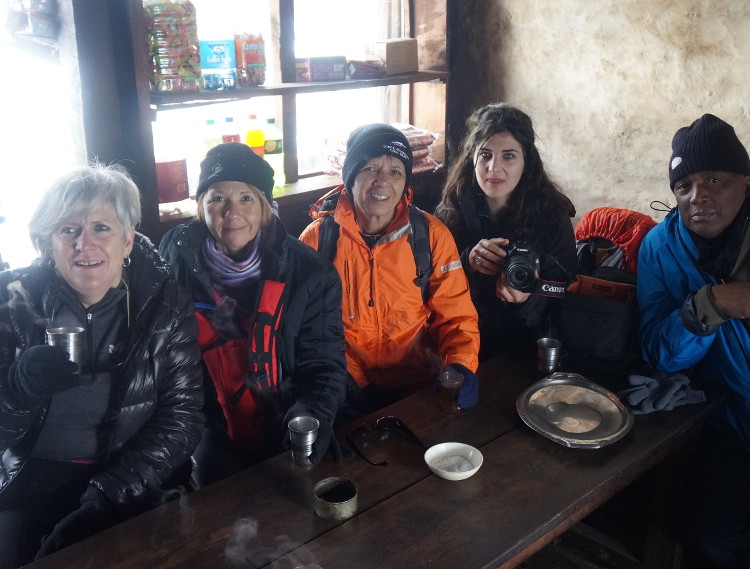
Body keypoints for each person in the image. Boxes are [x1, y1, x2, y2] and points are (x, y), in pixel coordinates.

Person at [0, 164, 204, 568]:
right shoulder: (11, 304)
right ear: (48, 243)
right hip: (32, 478)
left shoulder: (164, 304)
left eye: (101, 228)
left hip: (135, 473)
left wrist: (107, 496)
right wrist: (17, 388)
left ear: (128, 240)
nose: (84, 244)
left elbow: (183, 418)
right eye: (68, 230)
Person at [637, 113, 750, 568]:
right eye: (683, 185)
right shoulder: (661, 248)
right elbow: (659, 352)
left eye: (714, 179)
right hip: (738, 429)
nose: (697, 197)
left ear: (747, 182)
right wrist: (705, 308)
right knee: (707, 531)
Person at [159, 142, 347, 486]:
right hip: (204, 433)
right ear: (202, 207)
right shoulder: (174, 259)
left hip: (284, 426)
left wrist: (311, 417)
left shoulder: (310, 274)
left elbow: (323, 366)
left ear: (265, 208)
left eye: (246, 198)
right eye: (217, 198)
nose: (232, 211)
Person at [299, 123, 480, 415]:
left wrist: (461, 364)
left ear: (405, 183)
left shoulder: (431, 236)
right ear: (350, 178)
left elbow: (457, 316)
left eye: (395, 171)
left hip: (420, 383)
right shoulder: (318, 240)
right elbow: (304, 327)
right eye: (370, 169)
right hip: (346, 386)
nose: (382, 182)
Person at [436, 103, 577, 360]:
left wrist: (525, 299)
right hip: (459, 337)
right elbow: (429, 278)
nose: (494, 168)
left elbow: (565, 293)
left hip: (526, 343)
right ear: (473, 157)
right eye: (486, 154)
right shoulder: (454, 205)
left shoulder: (552, 213)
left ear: (527, 161)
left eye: (509, 156)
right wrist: (466, 261)